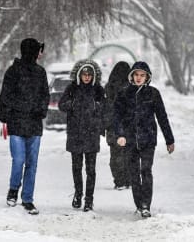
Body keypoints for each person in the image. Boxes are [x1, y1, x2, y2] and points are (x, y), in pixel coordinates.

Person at [114, 61, 175, 218]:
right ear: (132, 76)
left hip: (148, 139)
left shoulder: (153, 94)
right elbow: (117, 117)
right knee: (134, 173)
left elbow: (162, 117)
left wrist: (169, 139)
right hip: (130, 140)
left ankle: (146, 204)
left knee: (146, 170)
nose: (139, 78)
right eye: (136, 75)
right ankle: (139, 203)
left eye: (142, 75)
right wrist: (120, 134)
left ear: (147, 77)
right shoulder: (123, 93)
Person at [0, 38, 49, 215]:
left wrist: (40, 110)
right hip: (17, 123)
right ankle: (13, 189)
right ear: (33, 51)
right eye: (38, 51)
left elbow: (45, 96)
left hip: (34, 124)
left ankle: (27, 199)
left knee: (32, 163)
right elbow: (6, 95)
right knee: (19, 160)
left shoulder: (40, 73)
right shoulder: (13, 71)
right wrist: (21, 108)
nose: (40, 54)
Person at [58, 59, 105, 212]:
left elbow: (106, 108)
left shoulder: (98, 90)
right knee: (76, 168)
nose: (87, 77)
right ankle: (78, 194)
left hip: (92, 135)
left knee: (91, 170)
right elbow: (61, 105)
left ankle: (89, 200)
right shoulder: (72, 88)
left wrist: (97, 109)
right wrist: (72, 104)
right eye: (84, 74)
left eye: (89, 74)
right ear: (79, 74)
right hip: (75, 134)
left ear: (93, 76)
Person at [104, 61, 131, 190]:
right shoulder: (129, 88)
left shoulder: (108, 87)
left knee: (115, 154)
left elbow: (105, 107)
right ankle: (127, 179)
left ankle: (119, 180)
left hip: (111, 126)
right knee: (127, 153)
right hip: (126, 125)